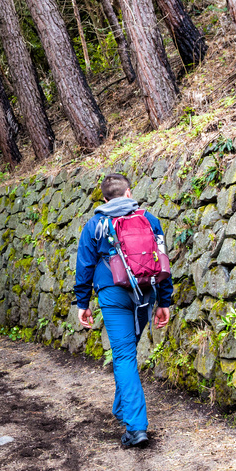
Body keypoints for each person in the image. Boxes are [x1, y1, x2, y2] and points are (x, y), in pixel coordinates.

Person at [74, 174, 173, 449]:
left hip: (113, 294)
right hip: (146, 293)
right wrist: (164, 301)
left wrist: (83, 304)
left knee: (124, 355)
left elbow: (84, 267)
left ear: (104, 199)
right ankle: (124, 409)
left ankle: (136, 427)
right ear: (129, 193)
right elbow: (163, 260)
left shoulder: (95, 225)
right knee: (128, 352)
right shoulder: (149, 219)